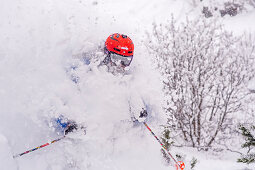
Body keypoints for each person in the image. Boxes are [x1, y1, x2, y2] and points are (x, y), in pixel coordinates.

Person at [55, 33, 147, 135]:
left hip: (115, 136)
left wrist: (140, 108)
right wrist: (67, 123)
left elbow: (142, 96)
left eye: (126, 61)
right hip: (85, 136)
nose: (120, 65)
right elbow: (59, 98)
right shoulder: (82, 69)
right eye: (116, 59)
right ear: (106, 54)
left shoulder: (129, 75)